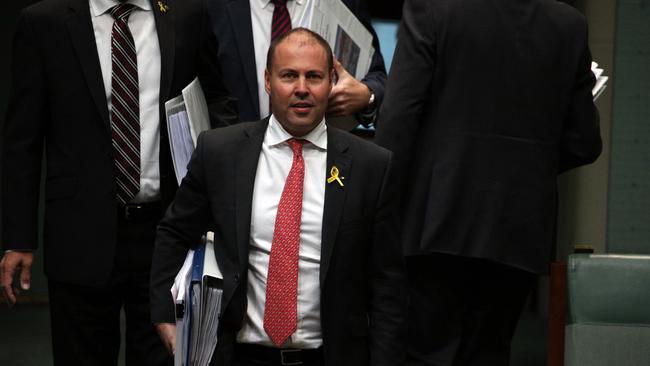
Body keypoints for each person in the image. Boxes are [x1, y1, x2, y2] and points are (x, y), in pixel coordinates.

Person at [150, 28, 407, 366]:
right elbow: (175, 232)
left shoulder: (371, 166)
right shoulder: (220, 152)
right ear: (268, 81)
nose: (302, 88)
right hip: (239, 355)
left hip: (329, 356)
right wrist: (165, 316)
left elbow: (387, 285)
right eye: (289, 76)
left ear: (331, 81)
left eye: (313, 76)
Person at [0, 0, 238, 365]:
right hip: (79, 231)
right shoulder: (44, 22)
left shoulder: (186, 13)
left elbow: (218, 99)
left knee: (163, 356)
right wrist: (19, 238)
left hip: (166, 231)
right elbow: (22, 140)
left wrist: (211, 183)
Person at [375, 0, 602, 365]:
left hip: (437, 219)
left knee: (424, 353)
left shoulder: (432, 9)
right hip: (520, 228)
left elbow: (398, 121)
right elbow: (584, 142)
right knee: (490, 353)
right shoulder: (569, 24)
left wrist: (378, 206)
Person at [205, 0, 385, 126]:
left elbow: (378, 77)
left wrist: (367, 96)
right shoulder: (211, 7)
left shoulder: (345, 2)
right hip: (240, 161)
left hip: (325, 161)